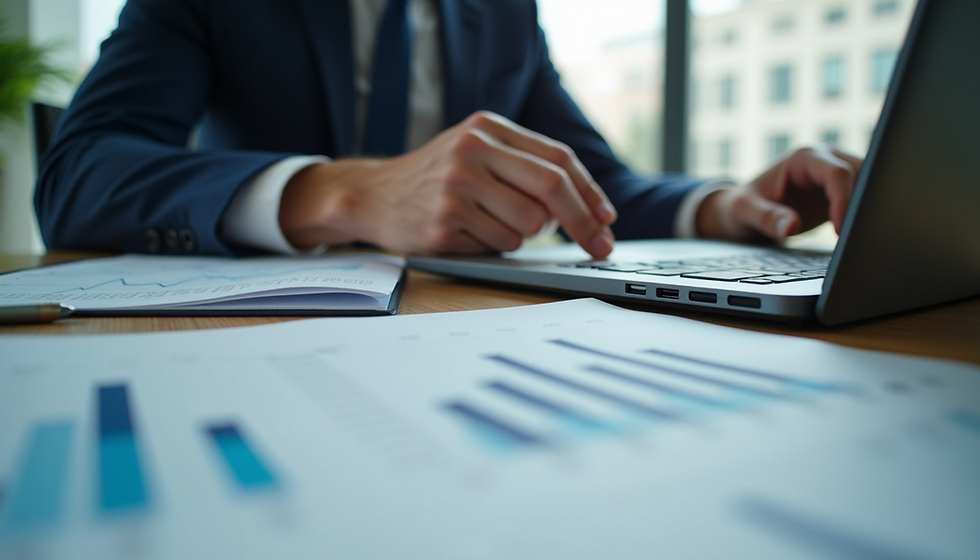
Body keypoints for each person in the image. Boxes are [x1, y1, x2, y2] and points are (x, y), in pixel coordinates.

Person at [35, 0, 861, 261]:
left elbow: (594, 183)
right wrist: (343, 192)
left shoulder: (501, 13)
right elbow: (77, 174)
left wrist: (726, 205)